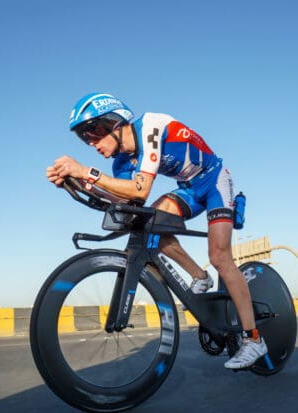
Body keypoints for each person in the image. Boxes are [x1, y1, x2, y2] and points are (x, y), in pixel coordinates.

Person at [46, 93, 266, 369]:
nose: (90, 142)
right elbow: (128, 202)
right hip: (189, 189)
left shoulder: (150, 127)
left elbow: (141, 189)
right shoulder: (122, 162)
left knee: (220, 257)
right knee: (149, 221)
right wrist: (80, 184)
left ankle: (254, 339)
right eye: (83, 137)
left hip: (215, 181)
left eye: (93, 132)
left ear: (115, 122)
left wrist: (86, 172)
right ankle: (200, 275)